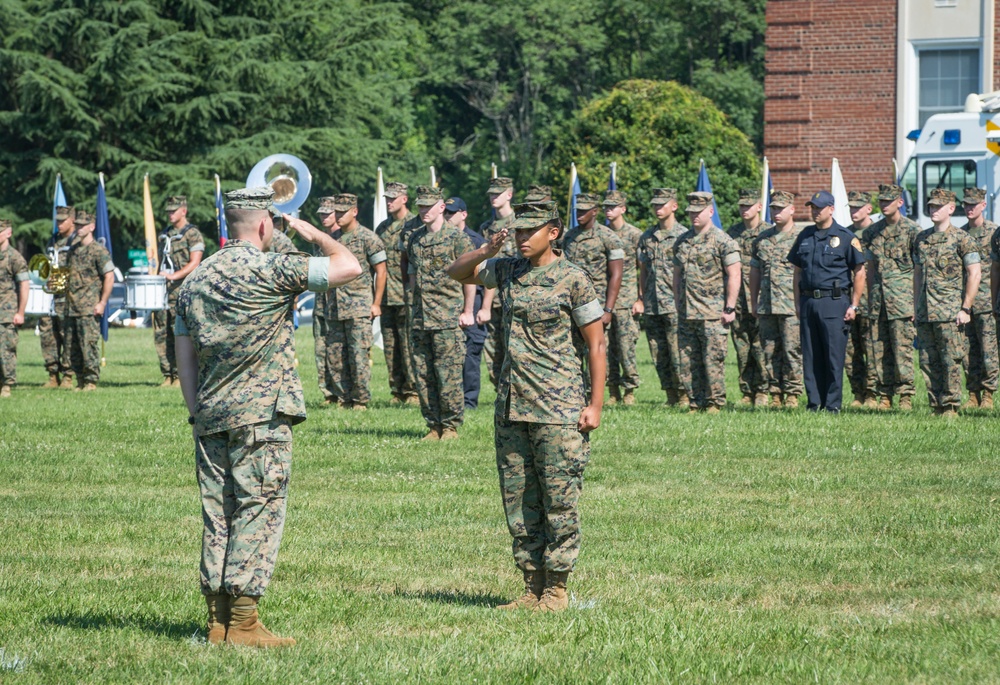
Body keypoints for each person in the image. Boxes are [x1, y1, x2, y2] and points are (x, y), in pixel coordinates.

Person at [174, 186, 362, 648]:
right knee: (258, 509)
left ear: (226, 224)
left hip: (211, 411)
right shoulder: (273, 268)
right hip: (261, 415)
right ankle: (243, 623)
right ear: (264, 225)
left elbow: (184, 356)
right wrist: (311, 230)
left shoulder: (195, 279)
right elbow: (349, 265)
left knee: (218, 515)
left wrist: (197, 408)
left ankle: (217, 622)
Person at [446, 201, 606, 613]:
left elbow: (596, 344)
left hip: (558, 407)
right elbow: (455, 272)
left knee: (559, 499)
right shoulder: (508, 270)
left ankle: (556, 588)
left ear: (553, 232)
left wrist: (595, 405)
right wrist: (486, 250)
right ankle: (531, 585)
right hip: (513, 405)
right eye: (516, 231)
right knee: (518, 500)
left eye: (528, 231)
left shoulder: (573, 279)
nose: (519, 238)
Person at [403, 186, 476, 440]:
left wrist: (468, 310)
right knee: (423, 374)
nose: (423, 210)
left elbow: (469, 277)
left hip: (447, 316)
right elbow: (412, 276)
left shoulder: (457, 238)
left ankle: (450, 425)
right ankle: (433, 424)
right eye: (420, 206)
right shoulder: (414, 239)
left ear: (441, 208)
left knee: (449, 373)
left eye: (428, 206)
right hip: (420, 317)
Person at [788, 190, 866, 413]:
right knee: (811, 356)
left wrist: (854, 304)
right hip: (809, 302)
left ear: (831, 209)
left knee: (833, 356)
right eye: (812, 207)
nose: (814, 211)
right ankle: (814, 404)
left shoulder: (845, 237)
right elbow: (797, 272)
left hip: (834, 302)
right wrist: (797, 303)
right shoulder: (805, 236)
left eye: (819, 208)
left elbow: (859, 272)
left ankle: (832, 405)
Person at [913, 188, 981, 416]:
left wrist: (966, 308)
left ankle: (951, 405)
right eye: (931, 206)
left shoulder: (962, 238)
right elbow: (917, 274)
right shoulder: (921, 239)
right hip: (926, 311)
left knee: (950, 359)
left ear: (951, 209)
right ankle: (936, 404)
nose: (933, 209)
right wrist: (915, 306)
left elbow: (974, 273)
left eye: (938, 206)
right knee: (927, 360)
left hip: (950, 310)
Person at [673, 191, 741, 413]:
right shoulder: (682, 241)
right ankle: (695, 401)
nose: (694, 216)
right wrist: (677, 304)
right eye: (691, 212)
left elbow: (734, 274)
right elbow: (676, 276)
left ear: (710, 211)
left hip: (713, 313)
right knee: (688, 361)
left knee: (713, 362)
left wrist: (729, 307)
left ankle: (714, 402)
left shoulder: (723, 241)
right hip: (687, 313)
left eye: (698, 212)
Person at [323, 193, 387, 410]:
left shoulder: (368, 238)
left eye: (342, 212)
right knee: (335, 355)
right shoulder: (332, 239)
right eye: (336, 211)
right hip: (334, 307)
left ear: (355, 212)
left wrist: (376, 303)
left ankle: (360, 400)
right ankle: (344, 398)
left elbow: (381, 271)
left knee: (358, 355)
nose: (338, 216)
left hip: (359, 305)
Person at [861, 184, 921, 411]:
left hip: (902, 301)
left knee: (902, 350)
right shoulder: (871, 233)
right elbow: (870, 269)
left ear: (900, 202)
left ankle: (905, 395)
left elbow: (918, 269)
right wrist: (869, 300)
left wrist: (916, 304)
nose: (884, 205)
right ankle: (884, 395)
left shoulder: (913, 231)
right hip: (878, 301)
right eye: (882, 201)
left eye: (889, 201)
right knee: (879, 349)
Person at [563, 192, 624, 396]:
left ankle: (594, 394)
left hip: (594, 305)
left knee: (594, 350)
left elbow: (615, 275)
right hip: (569, 303)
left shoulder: (608, 237)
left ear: (595, 212)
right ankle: (574, 391)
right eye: (577, 210)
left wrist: (608, 308)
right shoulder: (569, 237)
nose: (579, 214)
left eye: (584, 211)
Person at [749, 190, 803, 408]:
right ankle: (775, 393)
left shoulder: (801, 238)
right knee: (769, 350)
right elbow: (754, 272)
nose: (776, 212)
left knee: (792, 350)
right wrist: (754, 300)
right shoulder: (762, 239)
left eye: (780, 208)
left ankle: (792, 393)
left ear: (792, 210)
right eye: (773, 208)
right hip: (768, 304)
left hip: (792, 306)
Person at [637, 188, 688, 406]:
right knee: (658, 352)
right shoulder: (647, 237)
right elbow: (643, 271)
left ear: (674, 206)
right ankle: (670, 394)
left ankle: (685, 394)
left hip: (674, 303)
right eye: (655, 205)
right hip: (652, 304)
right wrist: (641, 297)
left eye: (662, 204)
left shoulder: (684, 236)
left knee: (679, 353)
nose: (658, 208)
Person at [374, 182, 420, 405]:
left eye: (393, 198)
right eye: (387, 198)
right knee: (390, 345)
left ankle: (413, 390)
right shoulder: (381, 229)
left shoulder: (414, 225)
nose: (389, 202)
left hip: (407, 295)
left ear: (405, 199)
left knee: (409, 343)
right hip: (386, 296)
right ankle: (397, 389)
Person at [153, 196, 204, 388]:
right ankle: (168, 374)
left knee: (180, 334)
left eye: (174, 210)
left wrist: (174, 276)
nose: (170, 214)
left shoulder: (192, 234)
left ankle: (181, 375)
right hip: (163, 292)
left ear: (184, 210)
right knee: (161, 333)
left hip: (183, 292)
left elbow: (195, 263)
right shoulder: (164, 235)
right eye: (168, 210)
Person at [727, 188, 769, 407]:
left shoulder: (768, 233)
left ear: (759, 207)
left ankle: (763, 389)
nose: (745, 209)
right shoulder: (732, 233)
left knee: (760, 344)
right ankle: (747, 390)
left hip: (762, 298)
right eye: (742, 205)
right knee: (741, 344)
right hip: (738, 299)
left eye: (749, 205)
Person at [445, 196, 488, 409]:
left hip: (474, 303)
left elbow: (489, 279)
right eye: (445, 212)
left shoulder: (476, 241)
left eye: (451, 213)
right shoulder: (443, 239)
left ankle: (469, 402)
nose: (447, 217)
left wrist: (485, 308)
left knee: (471, 356)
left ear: (464, 214)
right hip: (449, 305)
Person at [63, 210, 114, 391]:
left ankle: (91, 380)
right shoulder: (73, 249)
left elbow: (109, 276)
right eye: (77, 225)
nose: (78, 228)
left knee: (89, 345)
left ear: (91, 227)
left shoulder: (98, 251)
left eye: (82, 225)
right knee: (72, 347)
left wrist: (102, 302)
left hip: (89, 306)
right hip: (72, 306)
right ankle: (80, 379)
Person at [603, 189, 643, 405]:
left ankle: (629, 391)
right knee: (607, 348)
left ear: (623, 209)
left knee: (626, 347)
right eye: (606, 207)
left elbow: (643, 270)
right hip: (604, 301)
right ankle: (612, 390)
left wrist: (641, 299)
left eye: (613, 207)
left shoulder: (635, 235)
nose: (608, 211)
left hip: (627, 300)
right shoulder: (602, 233)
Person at [960, 186, 997, 409]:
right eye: (966, 204)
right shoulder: (960, 234)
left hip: (986, 301)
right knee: (967, 351)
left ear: (983, 205)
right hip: (965, 303)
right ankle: (973, 395)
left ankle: (989, 396)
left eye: (973, 204)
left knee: (989, 350)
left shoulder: (994, 232)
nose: (969, 208)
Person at [479, 177, 517, 389]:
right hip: (493, 300)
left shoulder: (520, 224)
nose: (493, 197)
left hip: (514, 297)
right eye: (491, 194)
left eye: (498, 193)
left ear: (509, 195)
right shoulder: (487, 228)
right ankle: (500, 390)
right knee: (493, 349)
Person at [845, 190, 878, 408]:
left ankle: (873, 395)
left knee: (872, 349)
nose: (854, 211)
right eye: (851, 207)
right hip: (847, 300)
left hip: (871, 300)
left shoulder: (876, 233)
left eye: (858, 207)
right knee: (850, 350)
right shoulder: (844, 234)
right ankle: (858, 393)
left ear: (869, 208)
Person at [39, 205, 75, 389]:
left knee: (67, 336)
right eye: (57, 220)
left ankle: (68, 375)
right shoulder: (53, 240)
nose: (59, 224)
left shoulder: (76, 241)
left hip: (68, 297)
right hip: (50, 295)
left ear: (72, 220)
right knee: (48, 335)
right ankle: (53, 374)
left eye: (63, 220)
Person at [0, 219, 29, 398]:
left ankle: (7, 384)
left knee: (6, 351)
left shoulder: (15, 257)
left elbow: (24, 286)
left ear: (8, 233)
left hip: (6, 312)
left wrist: (20, 312)